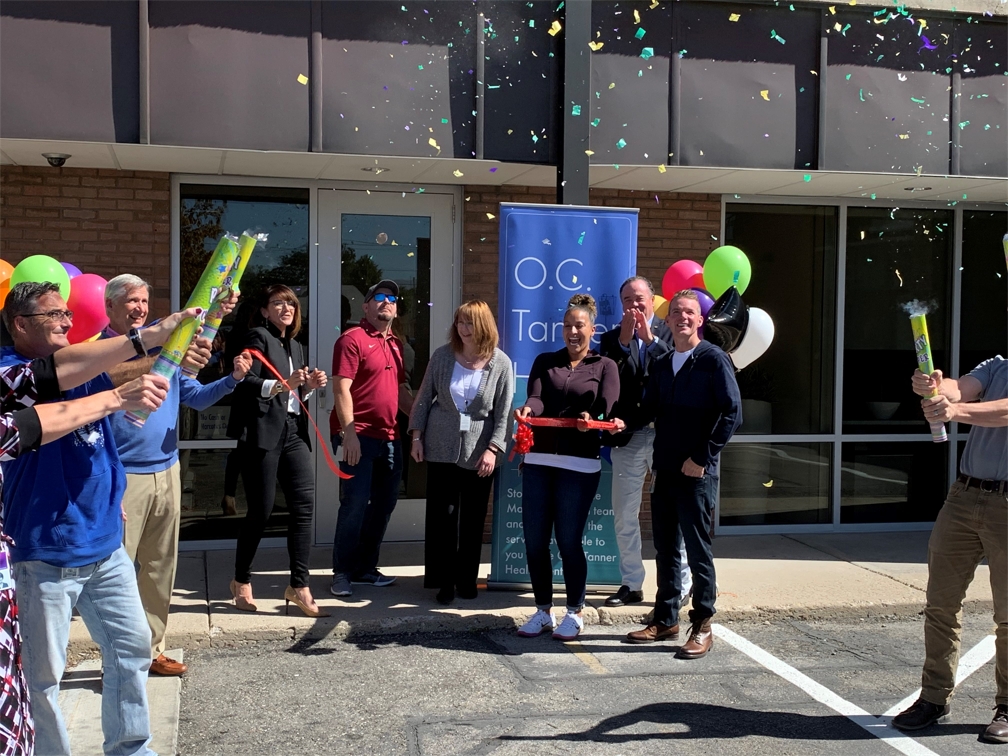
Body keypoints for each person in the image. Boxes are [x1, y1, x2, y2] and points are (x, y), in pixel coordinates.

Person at [0, 281, 199, 756]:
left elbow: (119, 373)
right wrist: (151, 340)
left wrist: (182, 346)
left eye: (68, 313)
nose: (68, 322)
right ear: (21, 324)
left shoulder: (78, 360)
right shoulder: (12, 373)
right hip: (43, 551)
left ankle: (130, 747)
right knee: (43, 677)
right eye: (54, 316)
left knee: (130, 650)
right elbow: (57, 397)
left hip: (104, 543)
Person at [102, 274, 248, 677]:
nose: (140, 308)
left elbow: (196, 398)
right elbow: (114, 375)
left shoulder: (168, 349)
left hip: (167, 472)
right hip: (121, 477)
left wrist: (232, 380)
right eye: (131, 301)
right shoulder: (101, 351)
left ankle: (151, 650)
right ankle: (118, 659)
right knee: (116, 573)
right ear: (109, 306)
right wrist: (170, 355)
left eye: (145, 301)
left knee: (159, 568)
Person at [892, 357, 1007, 743]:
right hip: (964, 495)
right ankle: (933, 698)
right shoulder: (998, 365)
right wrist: (936, 386)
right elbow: (962, 387)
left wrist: (953, 410)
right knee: (941, 605)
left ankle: (1007, 706)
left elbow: (1003, 411)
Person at [626, 290, 741, 657]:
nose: (682, 318)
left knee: (697, 551)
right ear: (669, 319)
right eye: (676, 312)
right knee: (665, 550)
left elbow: (731, 414)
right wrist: (619, 423)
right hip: (665, 471)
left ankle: (703, 623)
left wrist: (702, 457)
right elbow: (648, 410)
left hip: (696, 474)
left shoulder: (713, 359)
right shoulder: (662, 364)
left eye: (689, 312)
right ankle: (665, 619)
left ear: (700, 319)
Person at [514, 294, 624, 641]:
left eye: (579, 325)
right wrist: (529, 410)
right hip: (538, 461)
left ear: (592, 329)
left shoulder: (605, 365)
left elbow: (608, 406)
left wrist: (593, 419)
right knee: (534, 542)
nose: (572, 331)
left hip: (579, 465)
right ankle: (543, 610)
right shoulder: (546, 361)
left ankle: (574, 612)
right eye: (567, 326)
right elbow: (536, 397)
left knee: (568, 541)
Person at [228, 285, 328, 617]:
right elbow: (247, 383)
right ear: (265, 311)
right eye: (278, 303)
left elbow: (293, 398)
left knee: (303, 507)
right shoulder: (257, 337)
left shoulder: (296, 346)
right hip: (263, 433)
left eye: (291, 303)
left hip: (293, 432)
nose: (286, 308)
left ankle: (299, 586)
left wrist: (308, 387)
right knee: (262, 510)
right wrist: (285, 383)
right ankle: (241, 580)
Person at [408, 300, 514, 604]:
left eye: (469, 323)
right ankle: (443, 582)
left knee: (472, 519)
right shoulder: (442, 356)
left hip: (479, 452)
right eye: (459, 322)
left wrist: (494, 448)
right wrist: (417, 436)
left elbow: (504, 412)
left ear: (482, 326)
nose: (462, 329)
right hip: (441, 447)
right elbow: (425, 396)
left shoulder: (500, 363)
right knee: (444, 518)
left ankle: (466, 580)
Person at [598, 276, 692, 609]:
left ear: (653, 301)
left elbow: (675, 370)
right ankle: (631, 583)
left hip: (665, 436)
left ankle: (681, 584)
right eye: (627, 300)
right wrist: (623, 345)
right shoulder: (610, 340)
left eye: (639, 300)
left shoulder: (670, 333)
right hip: (629, 437)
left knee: (673, 512)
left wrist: (649, 339)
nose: (633, 306)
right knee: (624, 513)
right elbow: (605, 379)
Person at [330, 280, 413, 598]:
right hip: (358, 437)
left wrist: (420, 422)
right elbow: (341, 388)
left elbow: (399, 393)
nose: (386, 302)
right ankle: (342, 573)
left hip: (390, 438)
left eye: (392, 298)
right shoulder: (352, 339)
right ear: (365, 306)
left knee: (384, 505)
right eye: (378, 297)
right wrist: (348, 434)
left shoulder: (396, 345)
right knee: (354, 505)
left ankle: (365, 568)